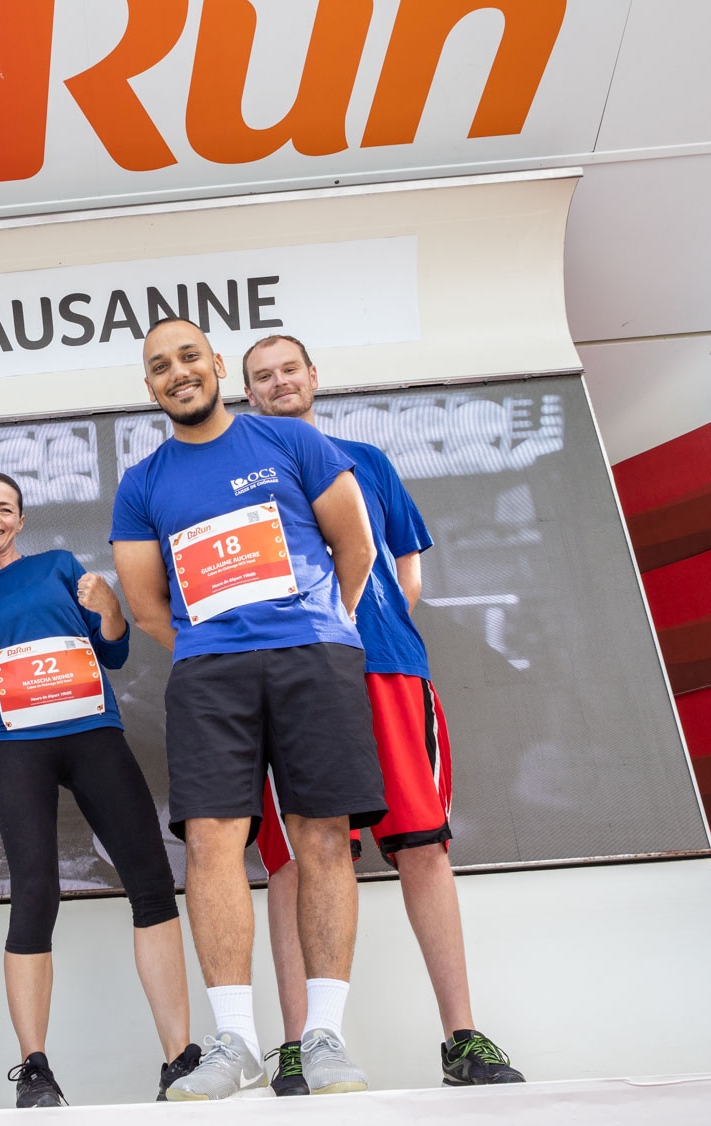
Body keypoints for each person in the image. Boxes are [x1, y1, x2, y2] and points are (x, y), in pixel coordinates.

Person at [109, 317, 385, 1100]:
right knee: (210, 842)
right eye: (160, 366)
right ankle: (235, 1043)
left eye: (188, 356)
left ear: (217, 364)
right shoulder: (141, 483)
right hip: (208, 675)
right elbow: (145, 603)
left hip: (314, 658)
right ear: (150, 386)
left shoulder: (290, 441)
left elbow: (355, 547)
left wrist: (327, 625)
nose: (177, 372)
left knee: (323, 835)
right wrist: (211, 644)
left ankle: (324, 1036)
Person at [242, 333, 525, 1089]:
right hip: (291, 683)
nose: (279, 382)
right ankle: (299, 1046)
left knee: (424, 847)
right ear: (249, 394)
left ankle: (463, 1038)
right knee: (297, 862)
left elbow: (407, 572)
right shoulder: (237, 476)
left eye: (289, 369)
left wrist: (360, 628)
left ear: (313, 377)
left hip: (388, 669)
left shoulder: (366, 460)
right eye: (263, 376)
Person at [0, 472, 200, 1106]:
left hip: (93, 733)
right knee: (34, 894)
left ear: (21, 521)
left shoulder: (58, 566)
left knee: (150, 882)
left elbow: (114, 652)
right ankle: (34, 1071)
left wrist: (109, 606)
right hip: (15, 747)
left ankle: (180, 1060)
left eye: (5, 508)